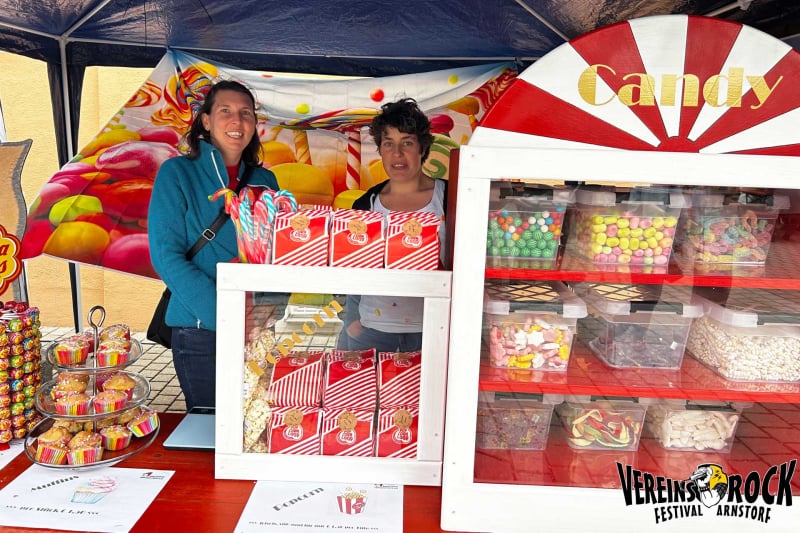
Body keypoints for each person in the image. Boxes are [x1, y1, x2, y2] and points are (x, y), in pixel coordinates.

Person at [148, 80, 279, 410]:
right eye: (225, 111)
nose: (237, 121)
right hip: (200, 328)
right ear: (206, 120)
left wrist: (273, 305)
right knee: (210, 423)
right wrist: (224, 314)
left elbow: (278, 251)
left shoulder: (266, 182)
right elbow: (166, 256)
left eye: (246, 113)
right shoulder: (177, 173)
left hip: (256, 326)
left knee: (254, 420)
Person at [338, 97, 447, 353]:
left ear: (422, 148)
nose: (397, 154)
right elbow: (351, 268)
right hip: (370, 329)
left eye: (407, 143)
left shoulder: (450, 198)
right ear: (380, 149)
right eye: (388, 143)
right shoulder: (366, 204)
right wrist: (352, 320)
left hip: (434, 328)